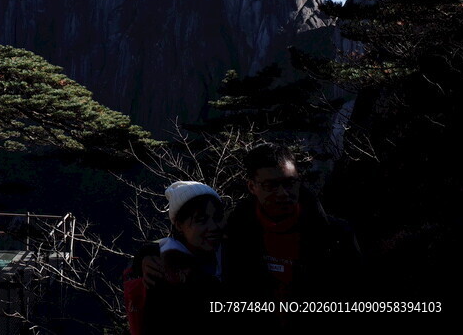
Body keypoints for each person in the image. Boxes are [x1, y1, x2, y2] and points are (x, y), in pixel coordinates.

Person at [223, 143, 361, 301]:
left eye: (290, 183)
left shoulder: (335, 235)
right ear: (252, 186)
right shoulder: (234, 233)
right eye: (271, 185)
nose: (283, 193)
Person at [126, 180, 226, 334]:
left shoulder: (228, 252)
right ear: (179, 225)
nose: (213, 227)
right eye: (201, 220)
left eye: (217, 218)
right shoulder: (162, 273)